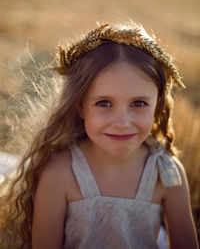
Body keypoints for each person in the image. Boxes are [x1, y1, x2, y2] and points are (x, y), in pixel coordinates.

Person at [0, 22, 198, 249]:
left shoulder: (167, 175)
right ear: (80, 106)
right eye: (104, 103)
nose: (122, 123)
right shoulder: (59, 172)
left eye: (139, 103)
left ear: (158, 106)